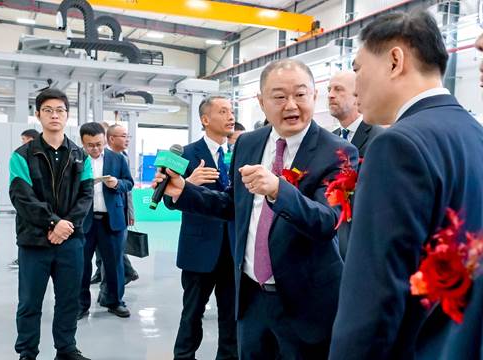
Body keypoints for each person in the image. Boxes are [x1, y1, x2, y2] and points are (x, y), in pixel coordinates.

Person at [156, 59, 358, 359]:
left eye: (300, 94)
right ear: (261, 102)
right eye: (279, 96)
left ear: (314, 97)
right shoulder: (248, 143)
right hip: (251, 296)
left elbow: (328, 221)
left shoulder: (339, 153)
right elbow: (232, 204)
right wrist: (185, 191)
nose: (291, 104)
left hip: (304, 303)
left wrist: (279, 190)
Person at [329, 11, 483, 360]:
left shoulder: (397, 145)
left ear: (395, 61)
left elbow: (374, 296)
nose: (356, 85)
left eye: (357, 69)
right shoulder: (475, 135)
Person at [9, 88, 93, 360]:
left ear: (67, 116)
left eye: (60, 110)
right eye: (48, 110)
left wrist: (65, 226)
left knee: (69, 300)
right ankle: (27, 352)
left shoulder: (81, 156)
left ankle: (66, 349)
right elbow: (22, 197)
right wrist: (54, 223)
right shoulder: (21, 156)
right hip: (34, 241)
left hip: (71, 241)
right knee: (30, 303)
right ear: (38, 115)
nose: (54, 115)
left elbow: (86, 196)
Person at [167, 96, 237, 360]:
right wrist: (190, 183)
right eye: (223, 111)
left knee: (231, 315)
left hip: (233, 249)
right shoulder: (184, 153)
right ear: (205, 120)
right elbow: (166, 201)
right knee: (192, 313)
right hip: (199, 249)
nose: (230, 116)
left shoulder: (240, 153)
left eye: (231, 111)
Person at [78, 122, 134, 319]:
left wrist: (117, 183)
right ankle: (80, 305)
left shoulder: (117, 159)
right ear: (82, 143)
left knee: (114, 264)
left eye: (99, 144)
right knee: (82, 265)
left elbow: (129, 183)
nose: (95, 149)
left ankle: (115, 301)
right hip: (85, 221)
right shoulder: (76, 160)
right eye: (90, 145)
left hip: (112, 220)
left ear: (105, 140)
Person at [327, 71, 384, 258]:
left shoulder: (379, 138)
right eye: (329, 89)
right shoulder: (329, 139)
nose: (330, 94)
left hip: (360, 242)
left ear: (357, 96)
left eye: (338, 89)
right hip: (332, 236)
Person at [89, 124, 139, 287]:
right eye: (123, 136)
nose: (127, 140)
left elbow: (127, 189)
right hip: (92, 216)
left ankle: (126, 275)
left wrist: (130, 213)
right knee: (100, 252)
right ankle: (100, 273)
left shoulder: (120, 158)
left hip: (115, 214)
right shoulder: (90, 158)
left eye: (127, 136)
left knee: (114, 253)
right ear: (111, 138)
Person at [9, 129, 41, 270]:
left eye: (24, 139)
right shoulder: (20, 156)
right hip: (28, 213)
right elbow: (20, 190)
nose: (22, 143)